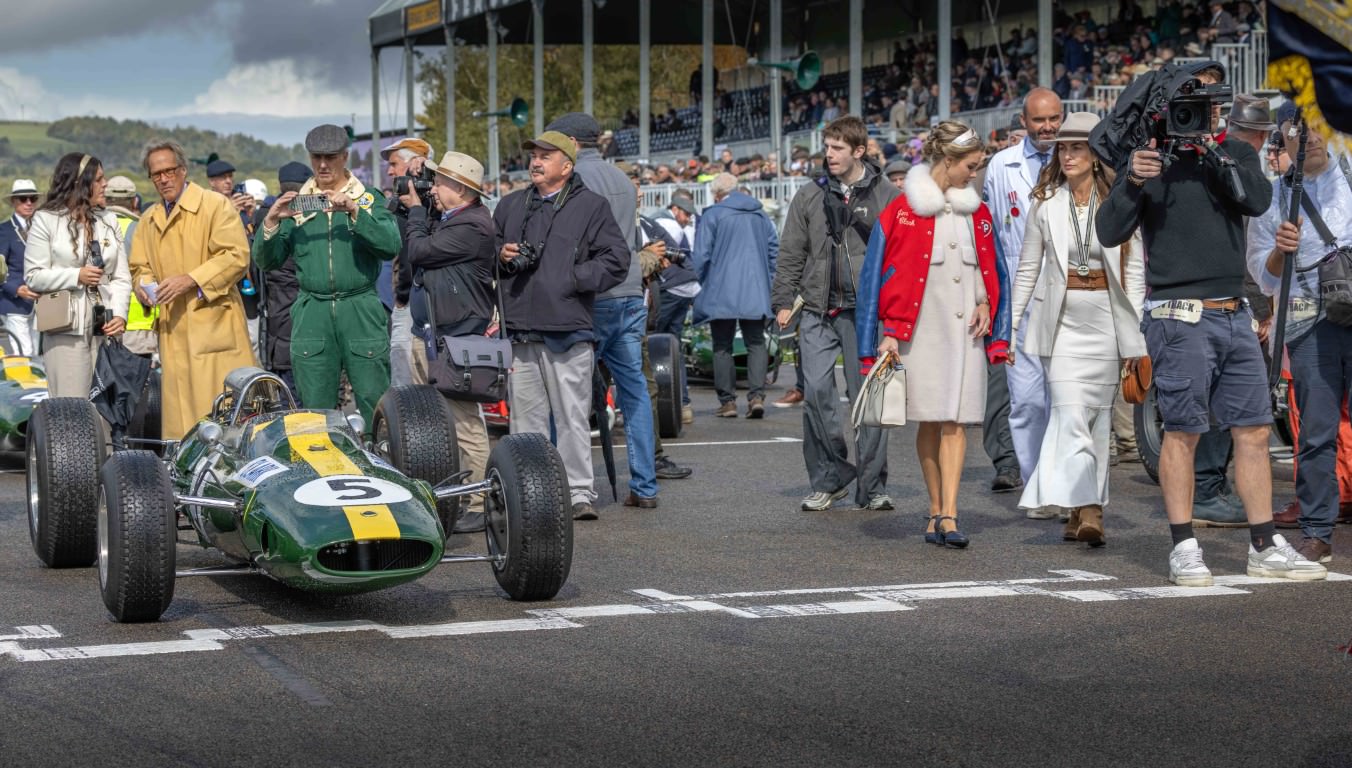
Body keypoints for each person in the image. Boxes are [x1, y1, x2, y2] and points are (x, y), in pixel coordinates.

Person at [1095, 66, 1326, 584]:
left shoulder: (1234, 153)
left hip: (1234, 313)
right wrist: (1133, 178)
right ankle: (1183, 545)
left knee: (1254, 430)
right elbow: (1109, 232)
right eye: (1192, 105)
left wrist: (1213, 152)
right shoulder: (1149, 160)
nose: (1204, 114)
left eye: (1212, 104)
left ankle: (1263, 543)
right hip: (1177, 315)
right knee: (1182, 431)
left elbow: (1257, 200)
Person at [856, 121, 1009, 547]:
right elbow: (874, 279)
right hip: (918, 331)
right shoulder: (902, 211)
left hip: (965, 331)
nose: (975, 174)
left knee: (957, 419)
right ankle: (935, 507)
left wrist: (986, 304)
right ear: (947, 160)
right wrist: (883, 335)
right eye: (971, 166)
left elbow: (991, 270)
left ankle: (950, 515)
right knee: (930, 417)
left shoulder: (978, 212)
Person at [1009, 113, 1147, 547]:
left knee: (1097, 419)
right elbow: (1028, 269)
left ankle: (1078, 509)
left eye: (1077, 148)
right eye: (1062, 149)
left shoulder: (1120, 204)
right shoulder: (1045, 204)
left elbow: (1135, 272)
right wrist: (1010, 325)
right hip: (1062, 322)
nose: (1067, 155)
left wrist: (1134, 333)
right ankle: (1090, 508)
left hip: (1107, 320)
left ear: (1096, 154)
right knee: (1070, 414)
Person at [493, 130, 630, 521]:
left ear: (567, 166)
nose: (535, 162)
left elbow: (617, 260)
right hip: (521, 330)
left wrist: (571, 278)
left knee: (572, 418)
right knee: (525, 423)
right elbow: (486, 253)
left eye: (545, 156)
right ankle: (529, 494)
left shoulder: (591, 206)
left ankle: (578, 493)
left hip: (568, 330)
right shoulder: (511, 205)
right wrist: (500, 255)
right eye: (534, 155)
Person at [772, 115, 899, 511]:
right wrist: (782, 301)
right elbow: (791, 251)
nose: (829, 154)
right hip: (817, 309)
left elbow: (900, 258)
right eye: (827, 147)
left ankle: (873, 487)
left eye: (837, 148)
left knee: (869, 401)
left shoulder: (888, 195)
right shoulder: (809, 194)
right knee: (816, 393)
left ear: (859, 150)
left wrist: (895, 314)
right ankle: (830, 478)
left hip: (867, 314)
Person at [1247, 103, 1352, 563]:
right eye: (1297, 130)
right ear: (1283, 138)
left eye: (1317, 126)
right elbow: (1263, 277)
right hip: (1309, 324)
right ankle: (1317, 532)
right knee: (1316, 434)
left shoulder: (1349, 176)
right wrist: (1278, 251)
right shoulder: (1273, 199)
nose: (1309, 136)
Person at [547, 112, 661, 510]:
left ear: (572, 144)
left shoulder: (573, 180)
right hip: (628, 290)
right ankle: (645, 486)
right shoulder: (623, 181)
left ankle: (568, 487)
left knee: (568, 394)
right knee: (634, 391)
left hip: (591, 295)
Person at [254, 124, 401, 431]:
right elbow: (267, 261)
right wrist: (270, 222)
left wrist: (355, 212)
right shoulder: (298, 203)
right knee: (314, 410)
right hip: (313, 309)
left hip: (360, 306)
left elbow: (390, 245)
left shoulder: (368, 198)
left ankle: (378, 455)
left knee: (375, 402)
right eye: (316, 157)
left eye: (330, 157)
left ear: (345, 156)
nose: (322, 165)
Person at [130, 139, 254, 437]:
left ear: (183, 170)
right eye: (156, 174)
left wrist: (192, 279)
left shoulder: (215, 205)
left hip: (215, 328)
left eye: (169, 171)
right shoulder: (148, 220)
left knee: (222, 424)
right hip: (172, 332)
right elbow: (139, 267)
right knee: (181, 427)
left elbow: (236, 256)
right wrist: (143, 287)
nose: (163, 179)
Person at [401, 150, 495, 534]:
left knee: (463, 424)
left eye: (439, 182)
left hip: (456, 338)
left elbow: (419, 251)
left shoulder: (473, 226)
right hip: (431, 334)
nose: (433, 189)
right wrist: (418, 211)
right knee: (432, 424)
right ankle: (448, 498)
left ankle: (479, 500)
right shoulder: (451, 219)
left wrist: (417, 213)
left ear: (461, 189)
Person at [982, 88, 1063, 502]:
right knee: (1028, 401)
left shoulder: (1076, 160)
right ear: (1024, 122)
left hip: (1068, 293)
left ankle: (1067, 487)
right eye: (1039, 120)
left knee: (1067, 399)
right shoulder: (1001, 165)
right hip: (1018, 296)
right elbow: (992, 233)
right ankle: (1036, 485)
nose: (1047, 127)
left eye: (1054, 119)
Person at [25, 153, 131, 398]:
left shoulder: (109, 220)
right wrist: (76, 276)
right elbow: (33, 276)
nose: (105, 184)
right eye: (99, 179)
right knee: (72, 404)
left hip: (105, 327)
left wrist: (120, 314)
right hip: (64, 328)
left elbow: (121, 277)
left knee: (106, 406)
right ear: (79, 183)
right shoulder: (46, 220)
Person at [692, 173, 777, 420]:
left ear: (717, 194)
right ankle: (757, 397)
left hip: (721, 288)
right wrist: (771, 282)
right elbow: (774, 250)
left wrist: (696, 285)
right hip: (756, 288)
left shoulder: (713, 214)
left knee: (722, 345)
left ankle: (727, 402)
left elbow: (701, 256)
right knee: (756, 343)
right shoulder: (760, 214)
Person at [380, 136, 435, 388]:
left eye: (394, 164)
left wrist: (429, 171)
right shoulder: (398, 205)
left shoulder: (435, 199)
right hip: (405, 303)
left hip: (427, 304)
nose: (390, 172)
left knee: (417, 384)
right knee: (403, 382)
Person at [254, 161, 312, 399]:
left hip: (276, 324)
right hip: (303, 328)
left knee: (284, 400)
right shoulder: (306, 220)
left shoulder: (267, 217)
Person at [103, 176, 157, 358]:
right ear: (134, 201)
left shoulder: (91, 226)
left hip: (100, 320)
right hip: (138, 322)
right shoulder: (141, 229)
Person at [0, 180, 40, 356]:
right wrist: (16, 289)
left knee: (37, 353)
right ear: (14, 201)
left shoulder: (41, 229)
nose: (29, 203)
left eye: (33, 198)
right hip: (14, 303)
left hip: (40, 304)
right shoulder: (4, 230)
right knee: (24, 352)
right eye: (23, 199)